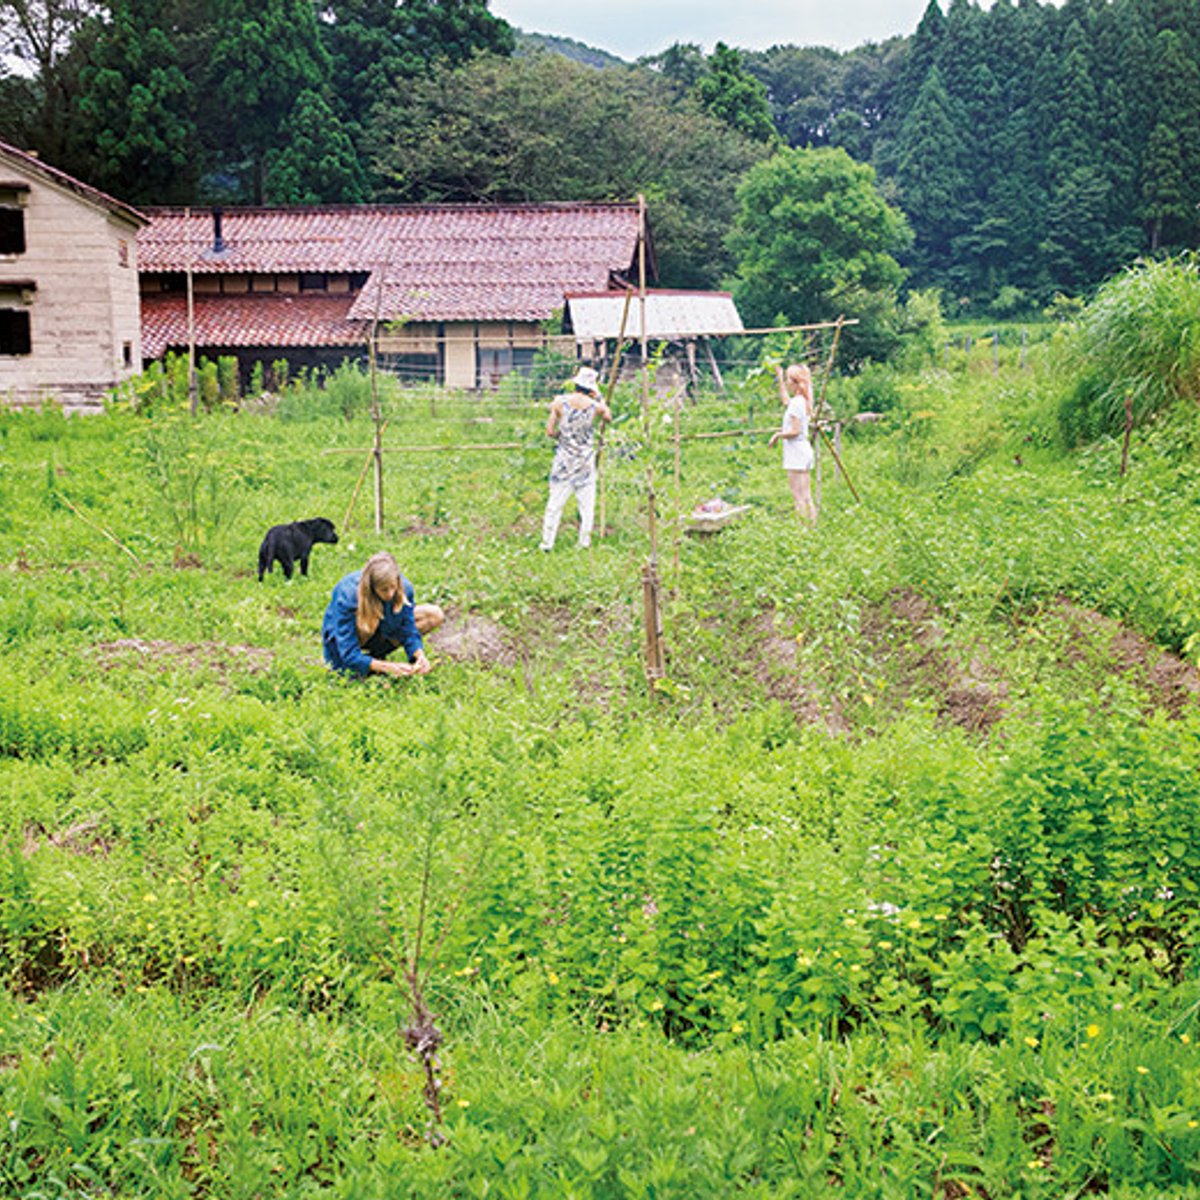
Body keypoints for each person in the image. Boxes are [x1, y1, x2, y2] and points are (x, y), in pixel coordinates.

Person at [322, 551, 444, 678]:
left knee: (433, 614)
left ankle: (375, 657)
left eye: (393, 587)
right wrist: (387, 667)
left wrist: (419, 655)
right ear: (372, 587)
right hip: (345, 642)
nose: (390, 594)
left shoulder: (404, 588)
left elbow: (408, 628)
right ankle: (367, 664)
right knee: (371, 619)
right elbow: (347, 651)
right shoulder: (348, 595)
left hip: (383, 632)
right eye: (384, 589)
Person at [540, 365, 612, 550]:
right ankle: (583, 542)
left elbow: (549, 431)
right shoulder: (595, 406)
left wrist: (561, 437)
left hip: (564, 461)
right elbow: (608, 417)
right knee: (586, 506)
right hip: (585, 461)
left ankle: (547, 543)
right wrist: (600, 397)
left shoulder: (559, 402)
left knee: (554, 504)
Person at [768, 362, 818, 524]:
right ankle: (812, 527)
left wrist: (778, 435)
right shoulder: (802, 400)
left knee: (798, 497)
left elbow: (795, 431)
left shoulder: (797, 403)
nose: (787, 382)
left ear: (795, 382)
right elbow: (785, 401)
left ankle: (803, 528)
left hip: (796, 452)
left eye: (788, 379)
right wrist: (779, 378)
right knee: (806, 496)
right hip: (803, 451)